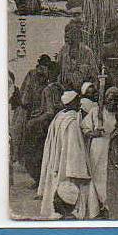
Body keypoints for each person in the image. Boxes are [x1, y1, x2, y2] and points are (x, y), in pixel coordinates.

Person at [38, 90, 92, 219]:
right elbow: (74, 147)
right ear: (71, 102)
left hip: (57, 158)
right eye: (77, 101)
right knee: (68, 188)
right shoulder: (71, 122)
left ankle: (55, 211)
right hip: (67, 162)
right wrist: (79, 168)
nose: (79, 103)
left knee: (57, 184)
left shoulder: (60, 116)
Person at [81, 86, 118, 218]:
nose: (112, 103)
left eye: (116, 100)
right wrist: (93, 133)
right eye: (110, 100)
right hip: (97, 149)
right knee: (97, 177)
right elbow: (84, 128)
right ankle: (96, 208)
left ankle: (108, 205)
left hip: (113, 149)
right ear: (105, 100)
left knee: (110, 177)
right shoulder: (95, 111)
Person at [58, 20, 98, 91]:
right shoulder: (63, 51)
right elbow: (59, 72)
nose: (66, 36)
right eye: (66, 33)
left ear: (77, 36)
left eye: (70, 34)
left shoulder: (87, 52)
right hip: (66, 90)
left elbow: (94, 76)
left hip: (84, 91)